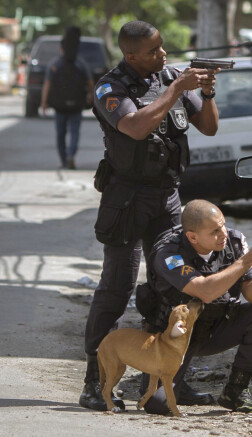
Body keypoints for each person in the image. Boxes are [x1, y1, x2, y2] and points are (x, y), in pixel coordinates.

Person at [79, 20, 221, 411]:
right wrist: (177, 87)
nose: (163, 55)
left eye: (162, 49)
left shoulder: (170, 77)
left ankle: (162, 381)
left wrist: (206, 92)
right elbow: (135, 128)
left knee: (174, 284)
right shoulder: (111, 88)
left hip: (167, 199)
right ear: (131, 55)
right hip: (126, 200)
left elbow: (208, 127)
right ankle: (95, 381)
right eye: (154, 51)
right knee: (116, 287)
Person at [136, 199, 252, 414]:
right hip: (173, 338)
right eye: (214, 231)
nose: (223, 233)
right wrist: (248, 260)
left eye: (223, 224)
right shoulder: (169, 254)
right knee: (157, 404)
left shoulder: (234, 242)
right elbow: (205, 292)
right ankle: (172, 384)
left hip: (216, 327)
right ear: (192, 237)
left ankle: (235, 392)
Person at [40, 26, 95, 169]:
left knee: (60, 134)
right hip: (76, 105)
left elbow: (47, 84)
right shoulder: (81, 64)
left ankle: (63, 160)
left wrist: (44, 103)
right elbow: (90, 83)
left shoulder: (54, 64)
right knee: (75, 132)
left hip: (59, 106)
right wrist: (92, 96)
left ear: (61, 48)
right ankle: (71, 156)